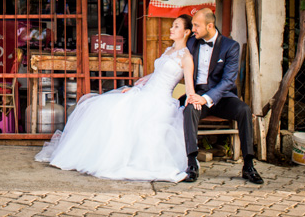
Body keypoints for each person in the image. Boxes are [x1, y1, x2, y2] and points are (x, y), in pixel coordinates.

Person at [35, 15, 197, 182]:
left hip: (159, 100)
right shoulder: (168, 50)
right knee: (104, 107)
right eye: (172, 25)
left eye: (176, 26)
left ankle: (116, 160)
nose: (171, 29)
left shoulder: (186, 58)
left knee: (126, 117)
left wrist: (197, 100)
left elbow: (190, 88)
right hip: (144, 92)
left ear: (186, 32)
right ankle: (92, 155)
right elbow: (157, 74)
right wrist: (137, 85)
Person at [182, 8, 263, 184]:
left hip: (223, 96)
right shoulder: (190, 43)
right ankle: (192, 163)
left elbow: (228, 81)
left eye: (196, 25)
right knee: (189, 109)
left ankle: (248, 165)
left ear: (209, 26)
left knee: (244, 110)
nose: (193, 28)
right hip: (198, 95)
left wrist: (207, 98)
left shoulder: (230, 46)